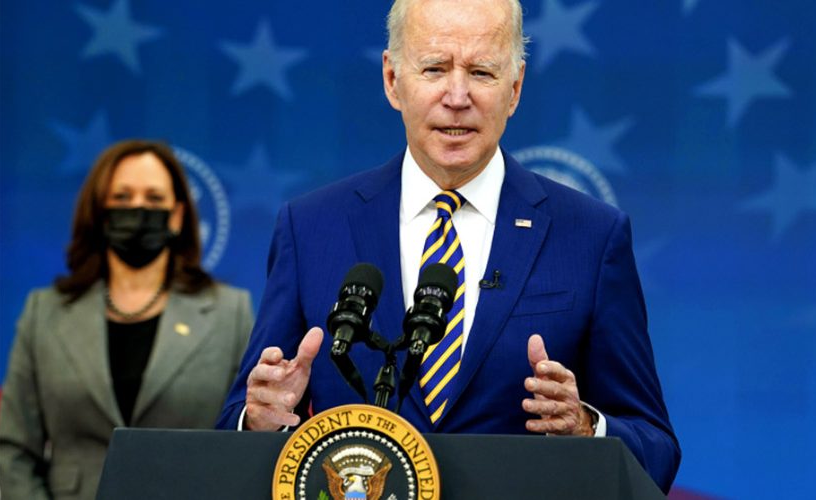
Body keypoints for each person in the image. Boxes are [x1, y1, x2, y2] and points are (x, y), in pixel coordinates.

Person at [216, 0, 680, 492]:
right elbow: (231, 435)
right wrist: (259, 419)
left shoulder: (589, 235)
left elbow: (655, 449)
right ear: (393, 80)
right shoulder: (311, 228)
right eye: (434, 68)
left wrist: (588, 429)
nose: (457, 96)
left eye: (481, 72)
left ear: (515, 88)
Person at [0, 140, 254, 500]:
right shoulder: (44, 311)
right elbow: (14, 450)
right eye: (122, 198)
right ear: (100, 212)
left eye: (153, 199)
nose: (137, 209)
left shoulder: (231, 312)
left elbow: (244, 447)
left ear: (178, 215)